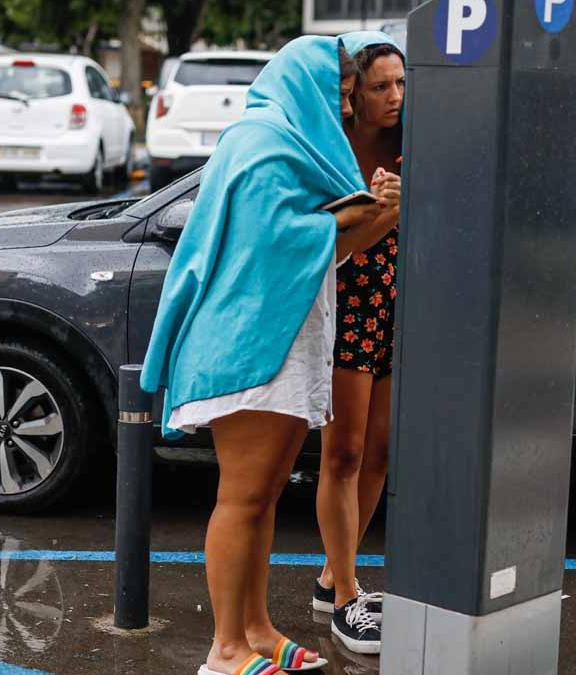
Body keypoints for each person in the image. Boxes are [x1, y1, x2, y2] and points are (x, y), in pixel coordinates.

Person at [140, 35, 394, 675]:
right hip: (248, 347)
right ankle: (224, 648)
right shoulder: (261, 144)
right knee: (242, 498)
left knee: (266, 496)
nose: (343, 107)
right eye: (338, 93)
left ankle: (256, 629)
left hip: (282, 341)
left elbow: (323, 250)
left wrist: (376, 213)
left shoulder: (287, 144)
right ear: (304, 84)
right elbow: (277, 242)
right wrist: (361, 211)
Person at [313, 31, 405, 656]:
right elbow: (324, 243)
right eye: (380, 87)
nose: (394, 96)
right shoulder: (331, 154)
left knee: (378, 453)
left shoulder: (412, 148)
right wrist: (378, 207)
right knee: (341, 454)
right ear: (354, 95)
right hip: (347, 310)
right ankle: (346, 595)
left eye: (401, 84)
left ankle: (330, 576)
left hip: (399, 310)